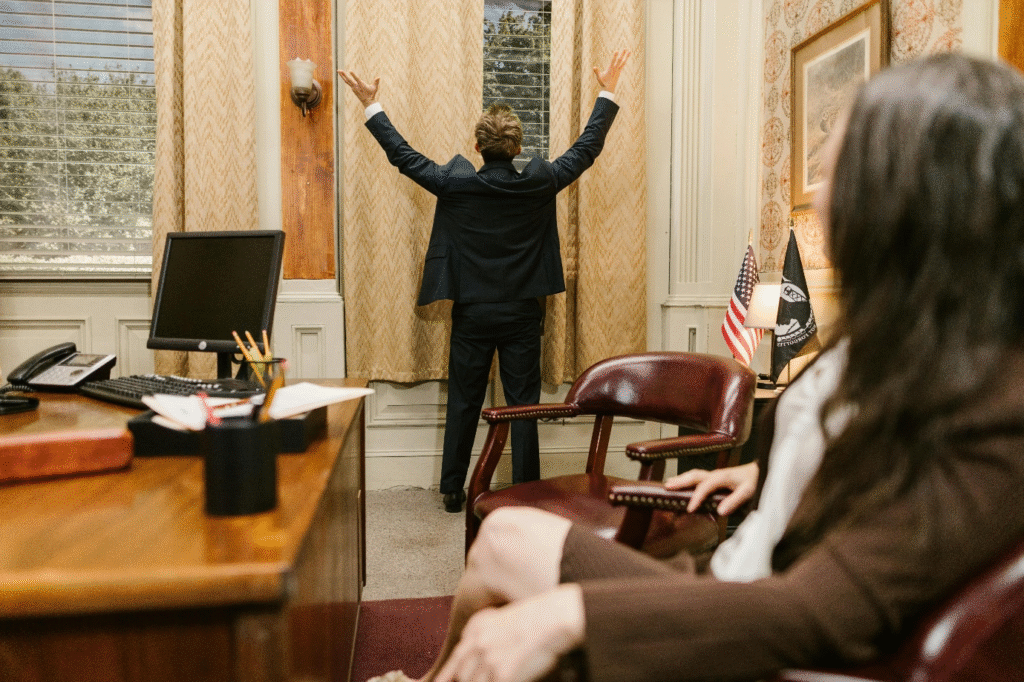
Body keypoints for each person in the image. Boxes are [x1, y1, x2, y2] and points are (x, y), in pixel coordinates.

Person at [366, 52, 1024, 682]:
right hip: (730, 559)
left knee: (469, 423)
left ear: (919, 204)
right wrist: (767, 471)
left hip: (752, 618)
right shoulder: (902, 345)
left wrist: (573, 616)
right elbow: (582, 154)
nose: (818, 199)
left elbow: (829, 610)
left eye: (840, 172)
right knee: (505, 529)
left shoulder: (995, 413)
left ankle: (453, 498)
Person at [340, 51, 630, 513]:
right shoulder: (540, 182)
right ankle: (527, 494)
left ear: (478, 147)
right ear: (517, 148)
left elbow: (403, 157)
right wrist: (607, 90)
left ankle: (454, 490)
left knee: (463, 402)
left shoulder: (454, 183)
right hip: (521, 317)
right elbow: (587, 148)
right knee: (523, 409)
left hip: (472, 315)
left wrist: (370, 105)